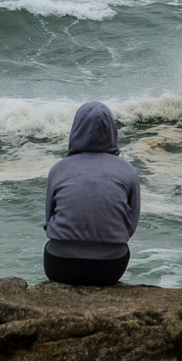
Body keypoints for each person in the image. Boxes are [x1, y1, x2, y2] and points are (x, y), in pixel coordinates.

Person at [43, 101, 140, 286]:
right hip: (110, 267)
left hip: (61, 265)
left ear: (76, 129)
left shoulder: (58, 169)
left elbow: (50, 219)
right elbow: (130, 227)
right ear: (113, 131)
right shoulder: (128, 171)